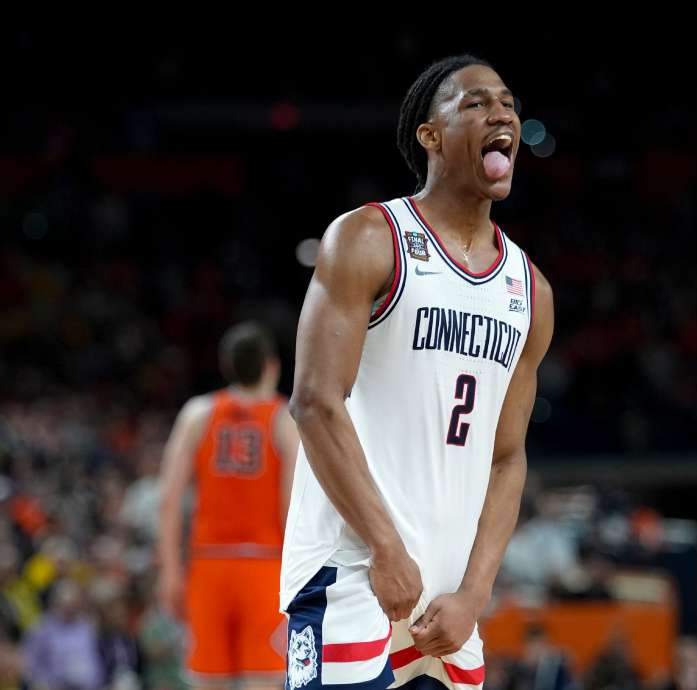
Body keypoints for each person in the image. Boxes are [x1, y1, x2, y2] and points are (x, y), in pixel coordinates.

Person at [280, 54, 554, 689]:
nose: (503, 113)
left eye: (508, 102)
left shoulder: (530, 290)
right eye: (477, 103)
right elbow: (315, 401)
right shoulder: (370, 237)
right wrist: (384, 547)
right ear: (430, 135)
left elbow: (507, 459)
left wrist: (477, 593)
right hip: (353, 568)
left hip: (448, 601)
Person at [157, 320, 297, 687]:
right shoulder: (285, 420)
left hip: (209, 566)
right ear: (272, 365)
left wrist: (170, 570)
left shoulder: (197, 414)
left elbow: (169, 500)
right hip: (266, 568)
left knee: (207, 682)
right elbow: (291, 509)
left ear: (227, 366)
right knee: (266, 682)